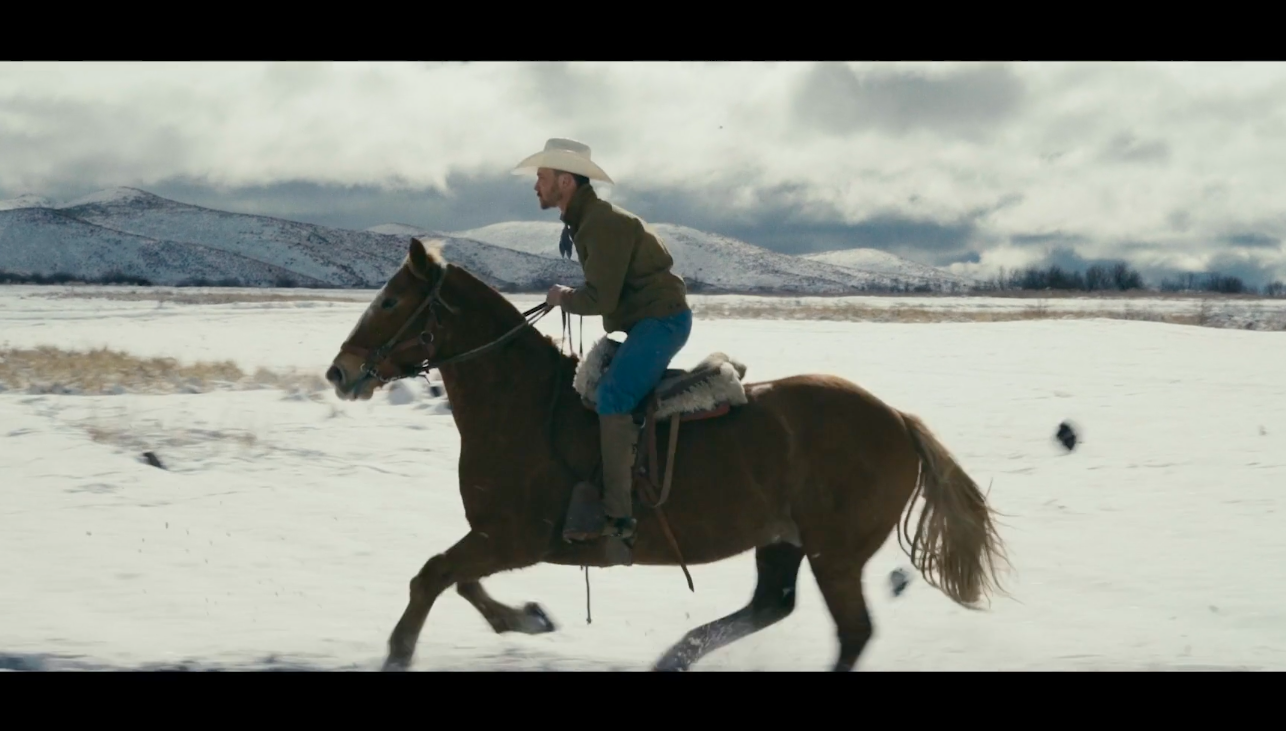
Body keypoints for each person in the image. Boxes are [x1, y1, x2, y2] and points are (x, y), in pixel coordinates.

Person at [513, 138, 691, 542]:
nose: (535, 185)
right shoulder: (587, 220)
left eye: (541, 177)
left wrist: (563, 297)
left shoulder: (600, 223)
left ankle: (618, 517)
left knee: (612, 396)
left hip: (662, 322)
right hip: (649, 320)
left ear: (564, 181)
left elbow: (600, 299)